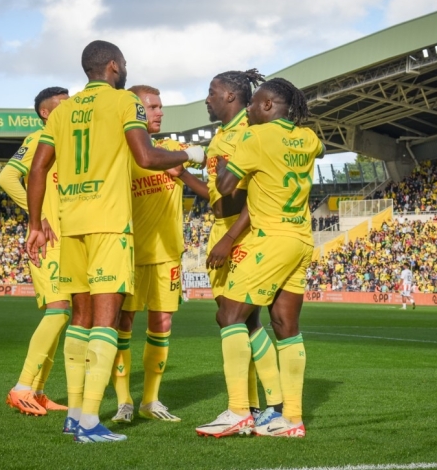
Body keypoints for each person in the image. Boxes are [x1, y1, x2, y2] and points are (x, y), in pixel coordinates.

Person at [25, 40, 204, 444]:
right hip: (109, 224)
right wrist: (189, 154)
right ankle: (90, 421)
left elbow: (38, 168)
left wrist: (35, 223)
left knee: (80, 319)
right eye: (122, 64)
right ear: (112, 67)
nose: (124, 68)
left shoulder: (64, 110)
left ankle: (73, 414)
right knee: (106, 321)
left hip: (71, 225)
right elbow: (145, 157)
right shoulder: (125, 103)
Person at [197, 77, 323, 438]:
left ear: (268, 105)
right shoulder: (308, 138)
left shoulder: (254, 137)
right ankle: (292, 419)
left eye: (254, 105)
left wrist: (226, 159)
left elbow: (224, 186)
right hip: (301, 239)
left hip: (270, 239)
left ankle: (238, 410)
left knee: (230, 315)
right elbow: (321, 149)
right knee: (286, 327)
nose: (249, 110)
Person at [184, 69, 268, 420]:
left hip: (242, 231)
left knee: (235, 317)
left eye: (212, 92)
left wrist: (232, 237)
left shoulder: (249, 131)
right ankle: (252, 405)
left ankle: (266, 405)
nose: (207, 98)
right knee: (240, 322)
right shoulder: (220, 137)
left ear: (231, 96)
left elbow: (258, 194)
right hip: (220, 227)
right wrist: (185, 176)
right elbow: (218, 192)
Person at [110, 85, 185, 424]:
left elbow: (201, 182)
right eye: (152, 107)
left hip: (168, 254)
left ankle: (150, 400)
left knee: (162, 323)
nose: (159, 112)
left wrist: (183, 166)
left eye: (160, 106)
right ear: (135, 110)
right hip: (129, 253)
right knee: (122, 324)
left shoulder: (174, 150)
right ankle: (124, 400)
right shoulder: (121, 154)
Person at [0, 86, 72, 417]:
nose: (71, 108)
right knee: (57, 310)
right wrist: (37, 218)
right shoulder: (39, 137)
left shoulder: (66, 141)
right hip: (48, 240)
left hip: (67, 239)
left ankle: (38, 391)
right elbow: (7, 177)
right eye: (63, 105)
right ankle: (22, 387)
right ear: (46, 113)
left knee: (63, 312)